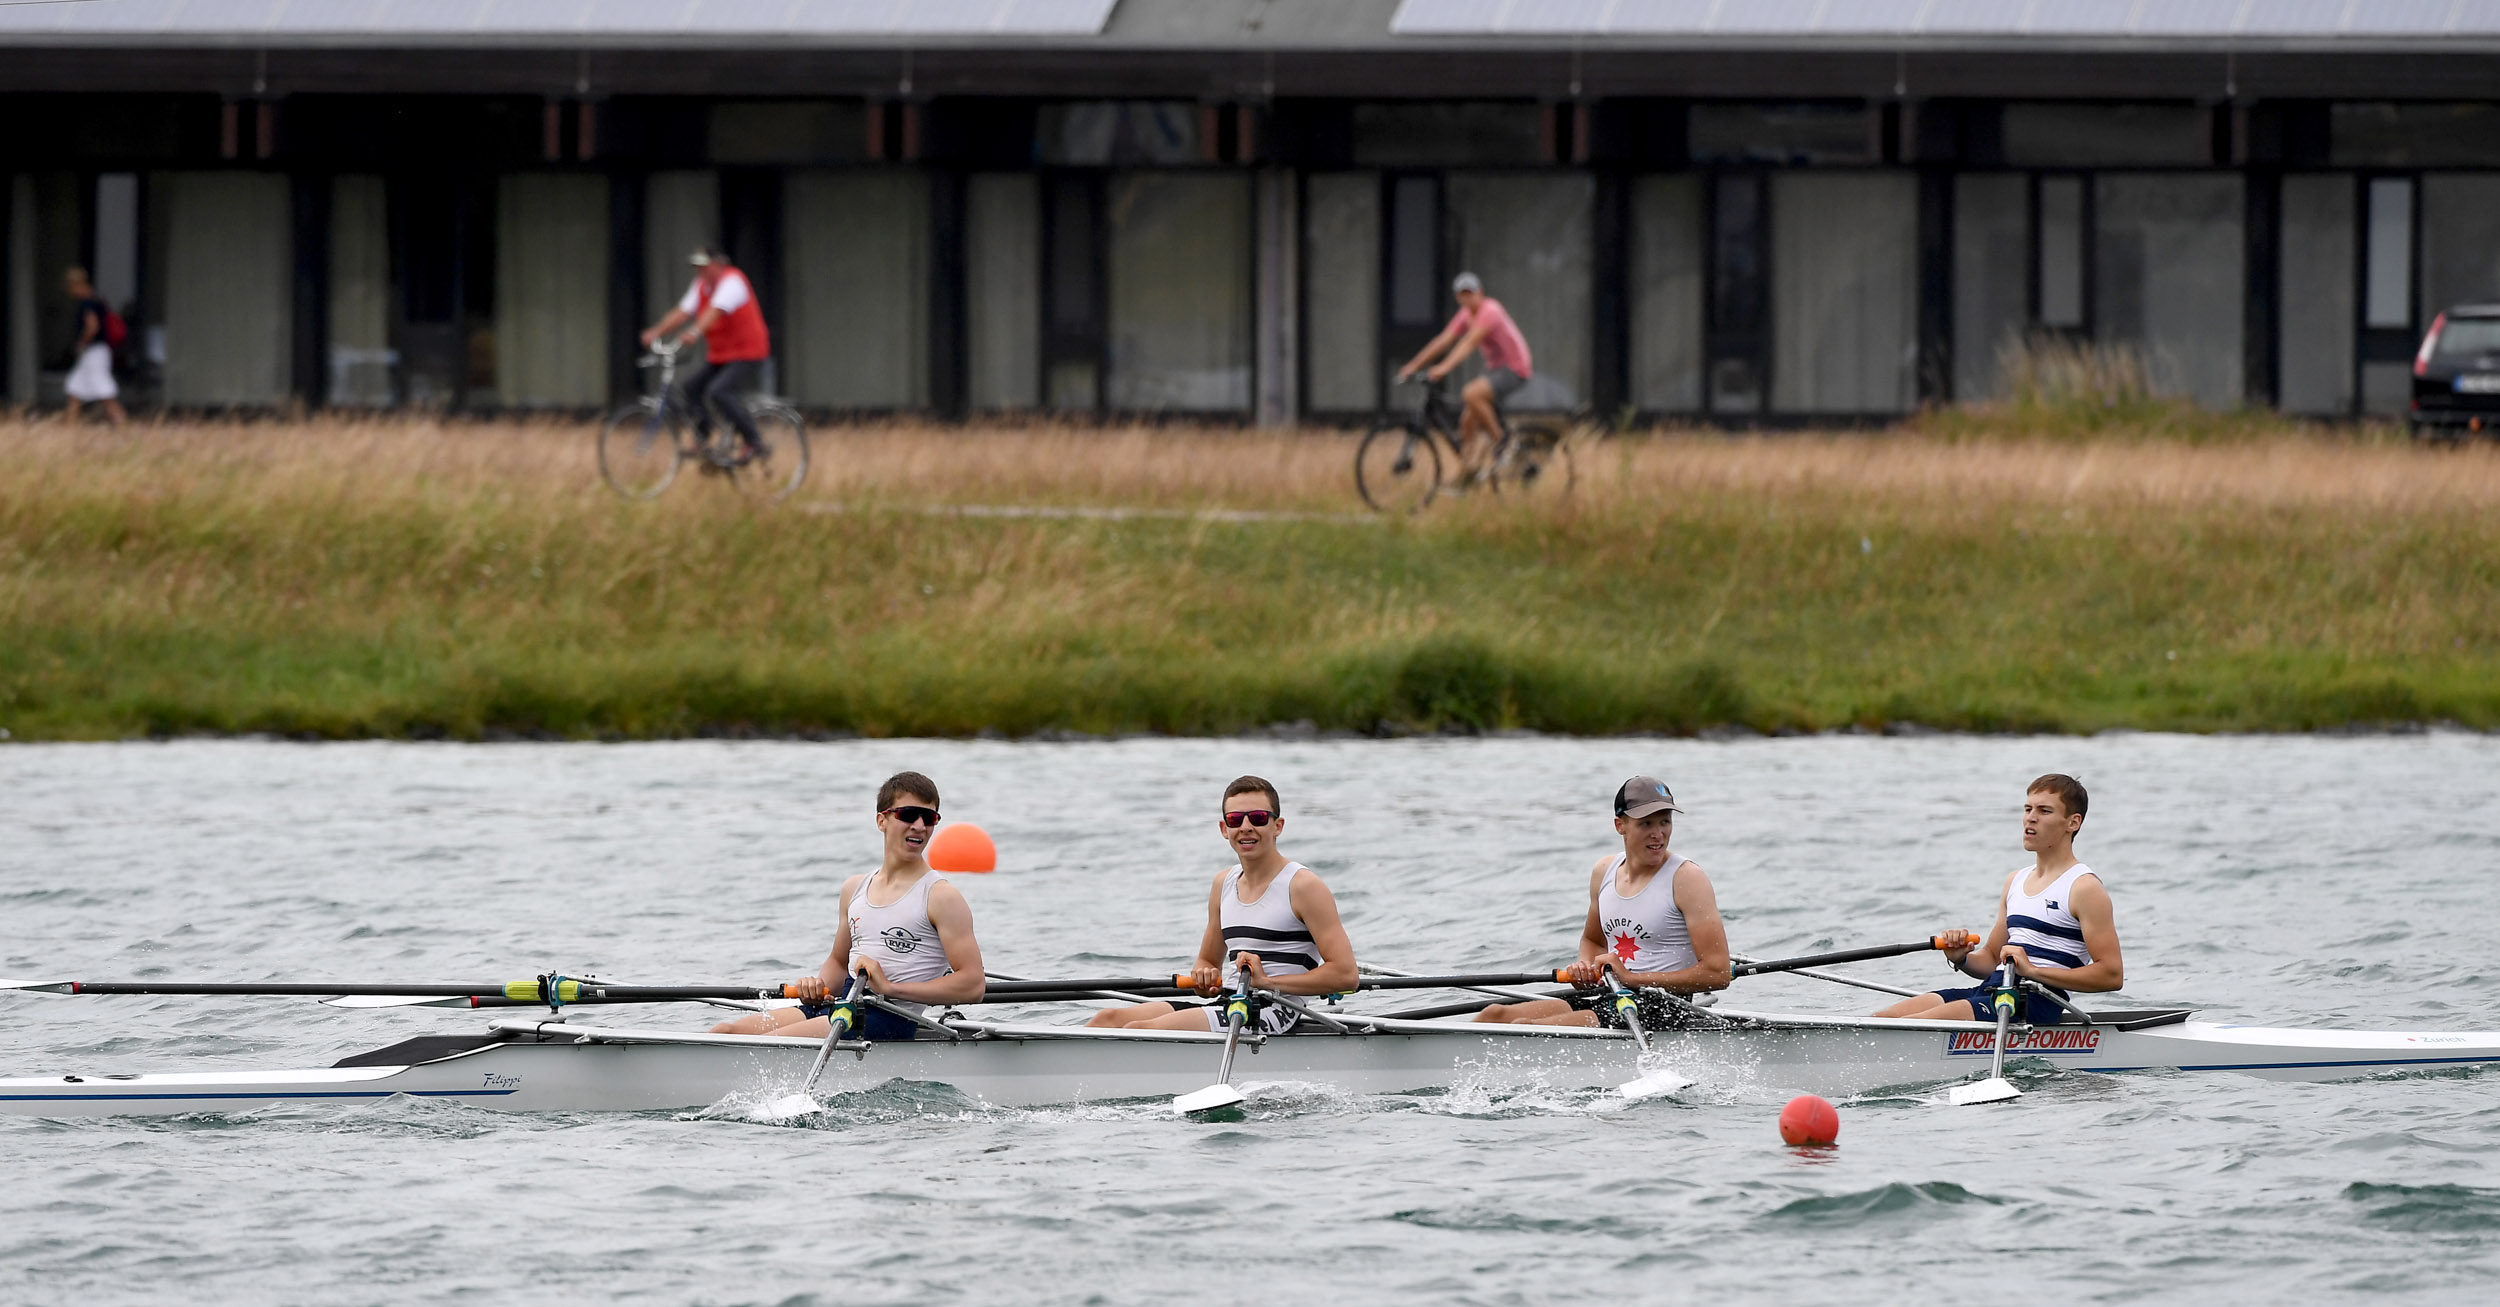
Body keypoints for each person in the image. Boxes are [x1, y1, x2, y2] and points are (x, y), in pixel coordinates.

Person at [711, 771, 984, 1042]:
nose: (920, 826)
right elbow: (839, 963)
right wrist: (816, 987)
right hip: (844, 1005)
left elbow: (973, 984)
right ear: (882, 820)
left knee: (767, 1044)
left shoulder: (941, 897)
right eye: (909, 815)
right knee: (724, 1033)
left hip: (890, 1016)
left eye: (930, 818)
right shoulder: (854, 889)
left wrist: (890, 988)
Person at [1087, 775, 1357, 1036]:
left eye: (1259, 818)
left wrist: (1266, 982)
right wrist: (1204, 978)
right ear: (1224, 829)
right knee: (1106, 1019)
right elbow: (1207, 961)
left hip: (1276, 1009)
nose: (1246, 826)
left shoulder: (1303, 886)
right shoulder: (1223, 883)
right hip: (1231, 1001)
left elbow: (1346, 975)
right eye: (1236, 819)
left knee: (1139, 1031)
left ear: (1278, 826)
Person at [1476, 776, 1733, 1028]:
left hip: (1663, 1007)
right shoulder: (1604, 871)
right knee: (1494, 1014)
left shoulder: (1687, 878)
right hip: (1611, 997)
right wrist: (1586, 970)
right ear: (1620, 825)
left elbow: (1717, 972)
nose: (1659, 834)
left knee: (1525, 1025)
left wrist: (1631, 978)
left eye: (1665, 822)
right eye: (1646, 824)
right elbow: (1593, 941)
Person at [1875, 774, 2123, 1025]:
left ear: (2073, 822)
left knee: (1914, 1024)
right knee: (1879, 1020)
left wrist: (2033, 972)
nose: (2031, 818)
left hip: (2035, 1002)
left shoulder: (2084, 887)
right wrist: (1961, 958)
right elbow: (1992, 959)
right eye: (2028, 809)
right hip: (1993, 991)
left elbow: (2111, 975)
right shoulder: (2015, 881)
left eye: (2044, 810)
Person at [1394, 271, 1532, 482]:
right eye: (1462, 294)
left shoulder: (1490, 310)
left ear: (1481, 292)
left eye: (1471, 293)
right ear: (1458, 297)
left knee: (1471, 393)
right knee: (1467, 422)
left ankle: (1503, 442)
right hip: (1495, 369)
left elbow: (1469, 342)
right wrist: (1413, 366)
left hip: (1515, 368)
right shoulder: (1465, 314)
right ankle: (1468, 473)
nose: (1467, 298)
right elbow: (1443, 341)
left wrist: (1443, 368)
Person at [639, 246, 771, 461]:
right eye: (696, 267)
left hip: (748, 352)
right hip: (722, 355)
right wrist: (656, 332)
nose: (699, 271)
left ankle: (754, 441)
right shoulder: (701, 286)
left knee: (719, 391)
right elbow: (682, 312)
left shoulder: (733, 282)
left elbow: (715, 311)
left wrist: (694, 331)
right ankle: (703, 438)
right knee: (691, 388)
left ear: (719, 265)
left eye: (704, 266)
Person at [62, 267, 126, 427]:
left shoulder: (87, 303)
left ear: (74, 285)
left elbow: (92, 326)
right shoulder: (97, 299)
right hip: (96, 352)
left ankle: (123, 425)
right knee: (75, 389)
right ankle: (69, 430)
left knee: (105, 392)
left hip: (94, 352)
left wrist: (81, 342)